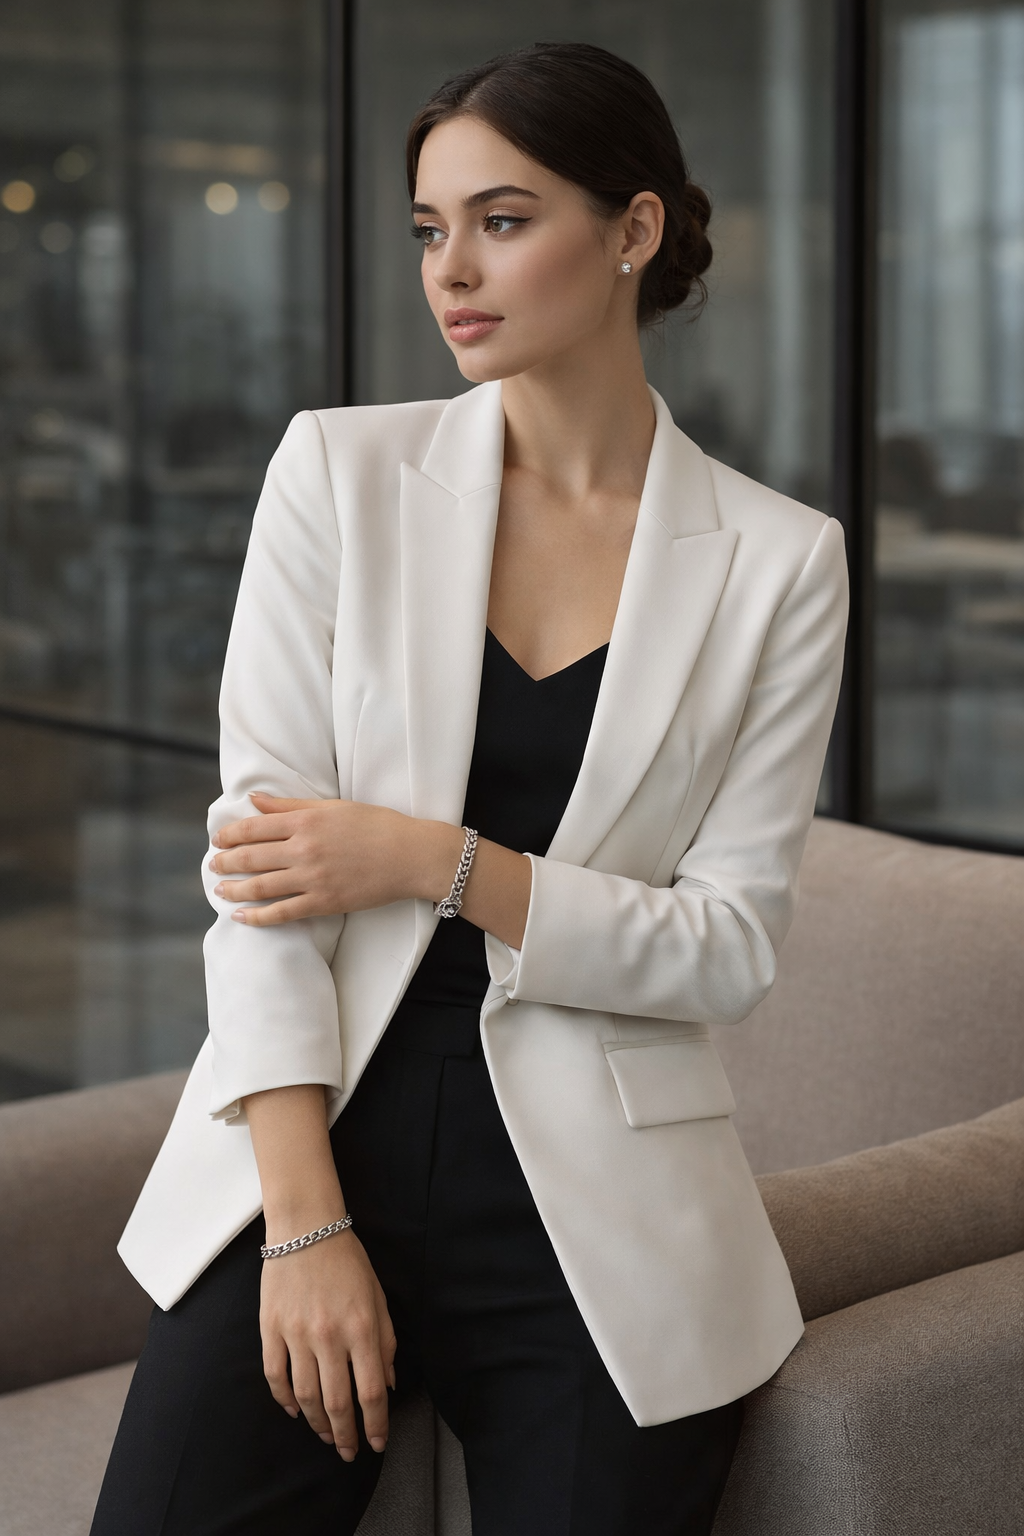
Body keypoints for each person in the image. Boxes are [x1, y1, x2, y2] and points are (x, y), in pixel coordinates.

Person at [92, 40, 848, 1536]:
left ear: (633, 231)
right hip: (318, 1134)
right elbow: (260, 882)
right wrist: (304, 1228)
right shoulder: (337, 476)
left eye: (503, 221)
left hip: (600, 1207)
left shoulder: (780, 562)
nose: (452, 270)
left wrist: (435, 861)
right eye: (432, 229)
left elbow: (726, 949)